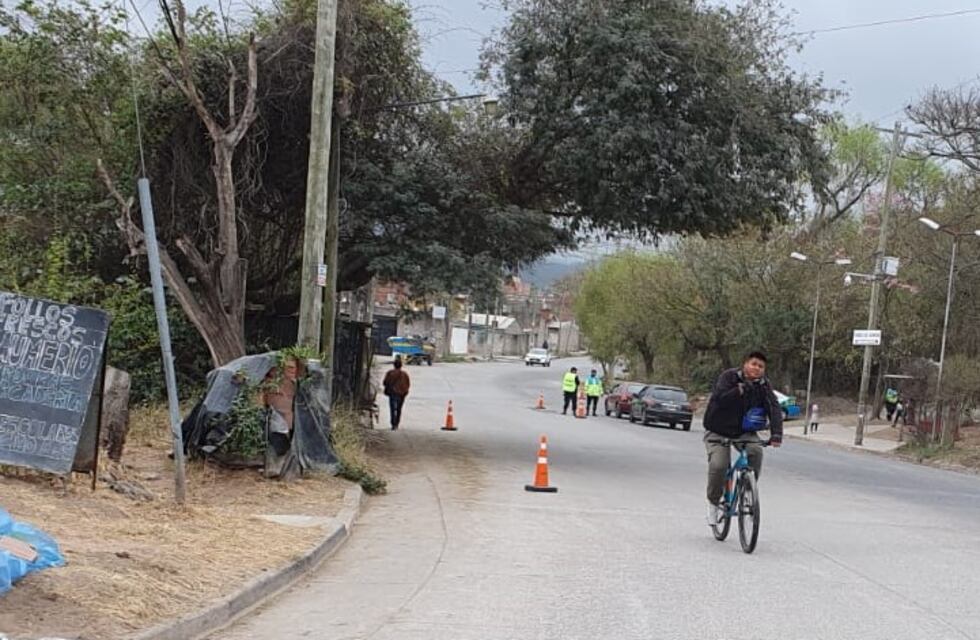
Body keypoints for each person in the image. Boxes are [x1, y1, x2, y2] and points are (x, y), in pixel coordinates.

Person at [702, 351, 783, 526]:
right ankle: (713, 503)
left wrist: (776, 434)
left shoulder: (763, 385)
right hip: (718, 430)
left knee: (756, 451)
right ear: (745, 364)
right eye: (753, 364)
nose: (757, 368)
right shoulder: (729, 377)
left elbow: (774, 407)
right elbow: (719, 399)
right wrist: (738, 390)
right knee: (719, 465)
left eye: (761, 366)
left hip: (743, 431)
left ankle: (748, 489)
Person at [382, 357, 411, 430]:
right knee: (399, 409)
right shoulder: (405, 374)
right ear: (401, 365)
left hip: (393, 393)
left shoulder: (390, 373)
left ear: (394, 365)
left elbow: (385, 382)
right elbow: (408, 384)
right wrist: (405, 391)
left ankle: (393, 423)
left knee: (392, 408)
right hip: (402, 394)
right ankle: (397, 423)